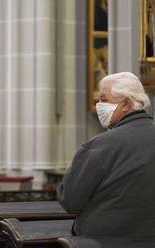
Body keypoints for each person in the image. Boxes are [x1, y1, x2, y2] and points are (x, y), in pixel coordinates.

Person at [57, 72, 155, 237]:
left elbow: (70, 201)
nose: (97, 106)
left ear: (126, 104)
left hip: (106, 240)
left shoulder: (100, 146)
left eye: (103, 100)